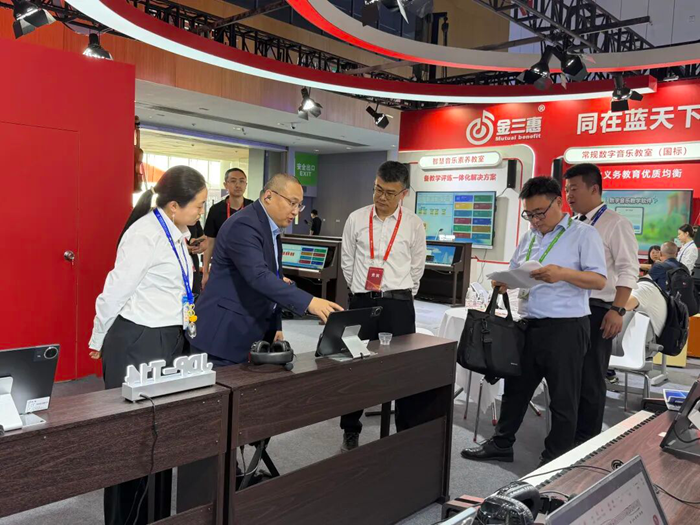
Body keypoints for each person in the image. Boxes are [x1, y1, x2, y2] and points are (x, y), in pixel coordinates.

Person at [89, 166, 207, 525]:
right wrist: (98, 337)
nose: (202, 211)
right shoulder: (144, 234)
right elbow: (115, 290)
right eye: (198, 205)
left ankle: (155, 518)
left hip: (169, 338)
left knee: (160, 439)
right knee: (131, 445)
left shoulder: (177, 232)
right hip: (138, 341)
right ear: (174, 205)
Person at [461, 176, 606, 465]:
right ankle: (502, 443)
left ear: (558, 202)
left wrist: (562, 274)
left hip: (566, 327)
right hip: (528, 325)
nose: (536, 220)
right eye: (529, 214)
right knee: (515, 389)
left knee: (563, 398)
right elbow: (515, 269)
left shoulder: (584, 234)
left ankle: (555, 456)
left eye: (540, 213)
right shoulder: (529, 237)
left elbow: (599, 280)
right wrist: (504, 282)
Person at [189, 173, 343, 366]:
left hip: (249, 331)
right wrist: (309, 302)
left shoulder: (271, 229)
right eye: (292, 203)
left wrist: (275, 325)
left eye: (299, 205)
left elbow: (275, 276)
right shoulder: (244, 224)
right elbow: (259, 276)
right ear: (269, 196)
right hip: (222, 336)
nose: (296, 212)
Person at [339, 161, 427, 452]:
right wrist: (361, 293)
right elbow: (348, 261)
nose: (381, 197)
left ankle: (404, 431)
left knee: (403, 368)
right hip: (362, 303)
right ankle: (350, 429)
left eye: (390, 193)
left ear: (404, 193)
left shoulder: (413, 223)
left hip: (398, 303)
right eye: (378, 189)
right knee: (355, 367)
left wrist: (399, 293)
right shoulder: (356, 218)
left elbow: (417, 267)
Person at [564, 163, 639, 446]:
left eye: (574, 188)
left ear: (594, 189)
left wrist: (617, 310)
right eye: (567, 189)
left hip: (599, 309)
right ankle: (568, 433)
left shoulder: (615, 223)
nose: (569, 195)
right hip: (570, 307)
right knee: (569, 374)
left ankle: (586, 440)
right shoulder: (573, 223)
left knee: (591, 377)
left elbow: (628, 269)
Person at [202, 167, 254, 289]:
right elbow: (210, 242)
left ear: (246, 184)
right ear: (225, 185)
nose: (238, 185)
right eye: (233, 181)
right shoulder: (215, 210)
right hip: (223, 266)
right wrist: (205, 272)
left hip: (249, 266)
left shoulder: (253, 208)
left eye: (242, 181)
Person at [187, 220, 207, 294]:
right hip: (177, 261)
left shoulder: (194, 221)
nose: (200, 214)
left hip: (193, 261)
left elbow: (203, 236)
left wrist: (199, 243)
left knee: (195, 291)